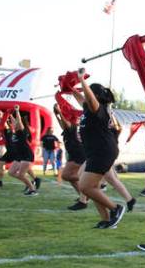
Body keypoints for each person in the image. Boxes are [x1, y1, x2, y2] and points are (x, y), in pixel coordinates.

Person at [72, 74, 125, 228]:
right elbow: (81, 98)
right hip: (95, 151)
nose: (83, 94)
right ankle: (106, 219)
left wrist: (82, 80)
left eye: (86, 92)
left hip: (102, 151)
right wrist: (68, 88)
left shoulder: (97, 108)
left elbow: (88, 97)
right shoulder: (89, 108)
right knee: (91, 187)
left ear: (94, 95)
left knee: (85, 186)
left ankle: (116, 208)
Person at [53, 105, 89, 211]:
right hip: (75, 154)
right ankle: (84, 197)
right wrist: (56, 114)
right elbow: (62, 124)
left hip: (78, 154)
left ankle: (89, 182)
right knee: (71, 178)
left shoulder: (72, 126)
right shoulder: (69, 127)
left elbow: (66, 123)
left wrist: (59, 112)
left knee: (66, 175)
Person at [6, 107, 39, 195]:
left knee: (21, 174)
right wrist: (9, 115)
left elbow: (19, 122)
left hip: (27, 155)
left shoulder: (21, 131)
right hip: (20, 156)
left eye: (16, 123)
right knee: (11, 172)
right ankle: (29, 183)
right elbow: (14, 122)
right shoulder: (15, 132)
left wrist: (17, 111)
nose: (14, 124)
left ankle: (33, 190)